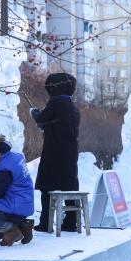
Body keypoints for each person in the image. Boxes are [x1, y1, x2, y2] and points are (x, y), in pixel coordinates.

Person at [29, 73, 80, 233]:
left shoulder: (56, 102)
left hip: (54, 153)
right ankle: (71, 223)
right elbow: (55, 124)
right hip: (70, 154)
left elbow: (43, 119)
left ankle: (46, 223)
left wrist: (34, 113)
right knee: (69, 187)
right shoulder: (73, 107)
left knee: (47, 187)